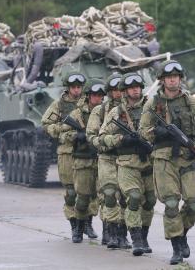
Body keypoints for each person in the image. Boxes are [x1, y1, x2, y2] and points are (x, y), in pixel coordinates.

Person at [140, 60, 195, 265]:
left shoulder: (191, 102)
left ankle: (183, 232)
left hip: (187, 157)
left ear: (180, 79)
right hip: (164, 158)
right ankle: (176, 245)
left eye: (176, 77)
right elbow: (143, 131)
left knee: (194, 204)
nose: (172, 80)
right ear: (162, 80)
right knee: (170, 204)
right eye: (169, 77)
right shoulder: (153, 103)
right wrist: (157, 132)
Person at [99, 72, 155, 256]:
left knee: (150, 202)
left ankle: (144, 235)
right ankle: (136, 239)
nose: (136, 90)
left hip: (148, 162)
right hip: (126, 164)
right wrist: (121, 139)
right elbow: (101, 138)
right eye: (131, 88)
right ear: (125, 91)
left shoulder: (151, 108)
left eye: (138, 87)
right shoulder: (117, 113)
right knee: (133, 197)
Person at [41, 72, 88, 241]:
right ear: (68, 88)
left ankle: (86, 222)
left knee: (87, 191)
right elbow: (46, 124)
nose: (76, 90)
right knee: (70, 192)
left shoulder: (88, 102)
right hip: (67, 152)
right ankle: (74, 224)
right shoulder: (59, 105)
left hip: (86, 151)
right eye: (74, 87)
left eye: (79, 87)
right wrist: (63, 131)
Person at [86, 72, 131, 248]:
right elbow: (91, 136)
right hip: (107, 158)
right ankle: (110, 232)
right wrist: (109, 142)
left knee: (127, 198)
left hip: (128, 158)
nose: (118, 93)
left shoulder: (131, 110)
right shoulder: (100, 110)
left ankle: (123, 234)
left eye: (120, 89)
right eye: (113, 90)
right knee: (109, 195)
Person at [60, 81, 106, 243]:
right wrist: (76, 136)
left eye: (100, 95)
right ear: (88, 96)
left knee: (99, 196)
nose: (97, 98)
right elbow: (62, 135)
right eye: (94, 95)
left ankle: (88, 223)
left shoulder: (106, 113)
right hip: (82, 160)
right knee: (82, 197)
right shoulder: (77, 114)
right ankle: (78, 228)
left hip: (100, 159)